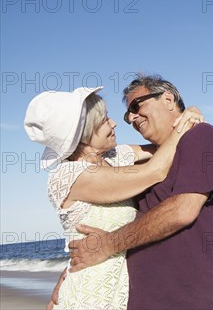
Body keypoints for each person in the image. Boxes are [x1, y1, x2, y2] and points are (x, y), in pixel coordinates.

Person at [68, 74, 213, 310]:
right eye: (127, 114)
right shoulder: (143, 164)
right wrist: (70, 278)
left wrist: (109, 244)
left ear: (168, 99)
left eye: (136, 106)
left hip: (203, 301)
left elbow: (182, 210)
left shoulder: (201, 137)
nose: (131, 117)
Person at [24, 86, 202, 309]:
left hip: (123, 291)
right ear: (83, 134)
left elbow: (164, 148)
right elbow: (154, 171)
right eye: (104, 120)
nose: (114, 123)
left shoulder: (115, 157)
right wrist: (185, 123)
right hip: (90, 295)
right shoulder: (69, 176)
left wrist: (185, 115)